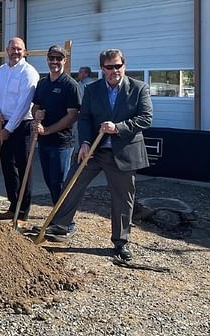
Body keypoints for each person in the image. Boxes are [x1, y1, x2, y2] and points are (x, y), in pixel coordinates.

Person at [45, 48, 153, 261]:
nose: (115, 71)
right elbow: (84, 118)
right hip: (94, 150)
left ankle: (121, 242)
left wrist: (118, 127)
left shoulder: (139, 88)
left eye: (118, 66)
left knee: (123, 199)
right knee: (72, 184)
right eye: (109, 67)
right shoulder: (92, 90)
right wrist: (84, 142)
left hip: (123, 153)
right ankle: (60, 225)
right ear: (102, 69)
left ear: (124, 65)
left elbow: (146, 118)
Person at [31, 45, 81, 232]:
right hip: (43, 141)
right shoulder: (43, 84)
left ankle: (66, 224)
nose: (54, 62)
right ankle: (56, 220)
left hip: (61, 143)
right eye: (51, 58)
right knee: (50, 181)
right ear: (47, 60)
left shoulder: (70, 85)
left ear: (64, 61)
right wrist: (37, 114)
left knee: (60, 182)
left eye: (58, 58)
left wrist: (49, 130)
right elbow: (35, 106)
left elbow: (72, 115)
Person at [0, 37, 40, 220]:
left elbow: (23, 105)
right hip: (3, 123)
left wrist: (8, 129)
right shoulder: (1, 70)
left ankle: (23, 210)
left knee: (23, 168)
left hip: (21, 126)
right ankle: (13, 205)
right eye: (13, 48)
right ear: (6, 50)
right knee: (7, 167)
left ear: (25, 51)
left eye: (19, 49)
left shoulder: (29, 73)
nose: (15, 52)